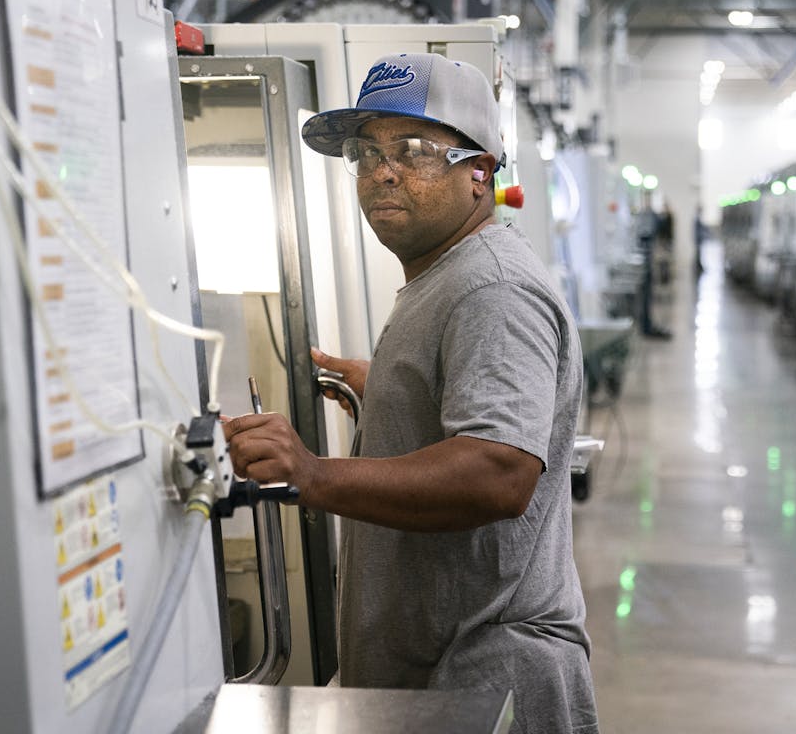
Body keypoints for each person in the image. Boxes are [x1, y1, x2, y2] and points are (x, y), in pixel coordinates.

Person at [223, 52, 599, 734]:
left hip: (480, 679)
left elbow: (498, 473)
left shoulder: (491, 287)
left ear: (480, 172)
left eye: (415, 151)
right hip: (441, 677)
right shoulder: (445, 276)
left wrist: (313, 475)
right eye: (366, 153)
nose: (382, 173)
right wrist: (397, 393)